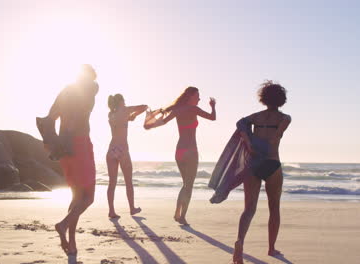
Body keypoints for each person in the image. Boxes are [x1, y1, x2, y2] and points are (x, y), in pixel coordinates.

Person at [37, 64, 98, 256]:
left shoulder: (64, 92)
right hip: (80, 144)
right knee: (88, 198)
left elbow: (49, 118)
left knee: (76, 197)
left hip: (63, 147)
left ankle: (72, 243)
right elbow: (84, 105)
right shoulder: (91, 88)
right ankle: (63, 225)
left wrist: (52, 141)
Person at [232, 81, 291, 264]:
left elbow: (240, 123)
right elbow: (276, 137)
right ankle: (271, 248)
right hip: (272, 163)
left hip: (253, 164)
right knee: (274, 208)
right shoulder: (285, 118)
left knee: (249, 209)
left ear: (263, 98)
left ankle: (240, 242)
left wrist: (249, 142)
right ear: (281, 99)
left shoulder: (255, 117)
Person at [146, 87, 216, 225]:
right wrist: (213, 107)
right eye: (197, 96)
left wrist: (149, 120)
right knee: (188, 186)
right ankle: (182, 216)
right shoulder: (194, 109)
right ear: (190, 96)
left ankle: (177, 213)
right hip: (190, 151)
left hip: (179, 151)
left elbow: (159, 123)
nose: (199, 99)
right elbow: (213, 118)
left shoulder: (176, 110)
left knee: (185, 185)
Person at [106, 94, 147, 218]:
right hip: (122, 149)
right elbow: (143, 107)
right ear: (121, 102)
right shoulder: (124, 110)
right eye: (124, 100)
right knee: (128, 181)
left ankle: (111, 211)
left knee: (112, 182)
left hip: (111, 149)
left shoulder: (111, 114)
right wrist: (133, 115)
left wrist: (130, 118)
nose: (125, 102)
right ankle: (132, 208)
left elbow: (120, 122)